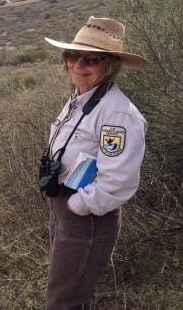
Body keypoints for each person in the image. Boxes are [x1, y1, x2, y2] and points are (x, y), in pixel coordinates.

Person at [42, 16, 149, 309]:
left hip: (86, 215)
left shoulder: (117, 113)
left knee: (61, 301)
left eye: (91, 59)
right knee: (71, 293)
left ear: (109, 65)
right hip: (64, 206)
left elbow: (119, 181)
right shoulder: (80, 97)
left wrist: (76, 206)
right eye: (73, 55)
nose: (78, 64)